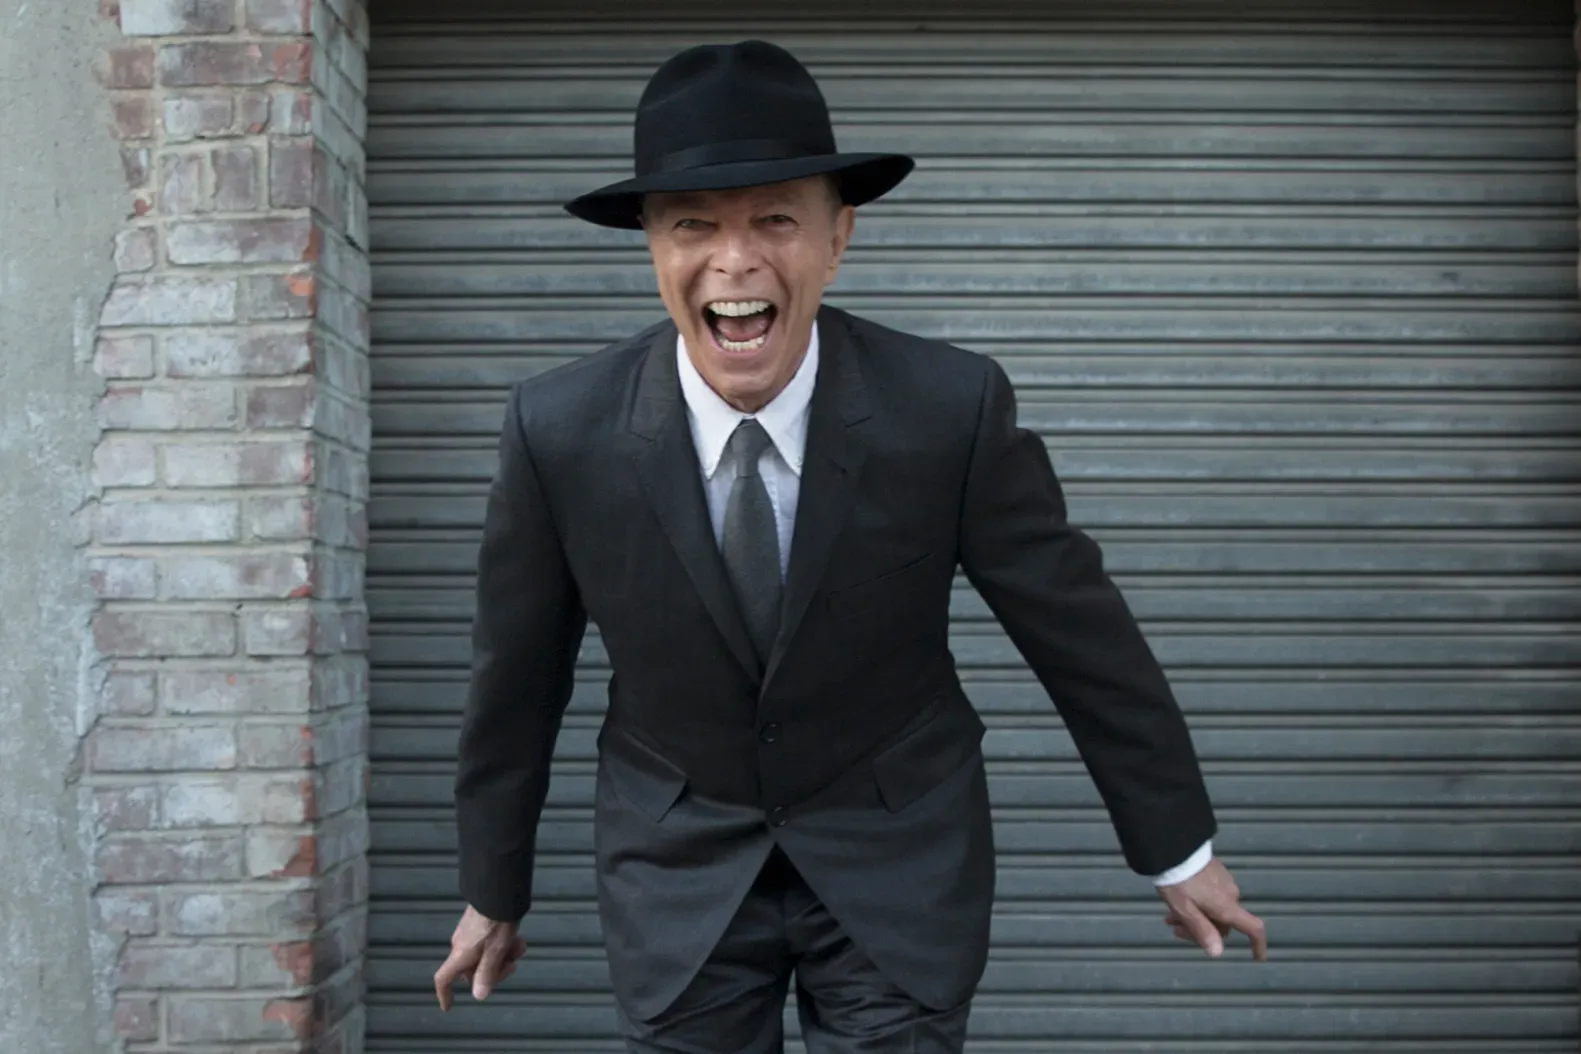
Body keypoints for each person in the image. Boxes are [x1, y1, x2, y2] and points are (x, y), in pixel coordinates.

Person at [432, 38, 1267, 1054]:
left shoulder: (948, 408)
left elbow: (1078, 634)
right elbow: (516, 680)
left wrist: (1178, 850)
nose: (735, 260)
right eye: (694, 224)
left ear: (838, 239)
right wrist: (493, 888)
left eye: (776, 219)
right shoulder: (559, 430)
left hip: (896, 857)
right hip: (678, 870)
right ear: (652, 246)